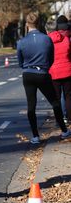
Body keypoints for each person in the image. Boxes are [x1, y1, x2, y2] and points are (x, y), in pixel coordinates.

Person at [17, 12, 71, 144]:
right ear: (39, 23)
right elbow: (51, 58)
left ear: (26, 25)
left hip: (28, 74)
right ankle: (64, 130)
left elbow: (20, 62)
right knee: (55, 102)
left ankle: (35, 136)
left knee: (31, 105)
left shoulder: (22, 42)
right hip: (42, 73)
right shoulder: (46, 39)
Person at [48, 15, 71, 125]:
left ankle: (59, 120)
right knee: (68, 96)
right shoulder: (67, 39)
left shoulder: (49, 40)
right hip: (67, 70)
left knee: (56, 97)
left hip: (54, 72)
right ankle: (68, 118)